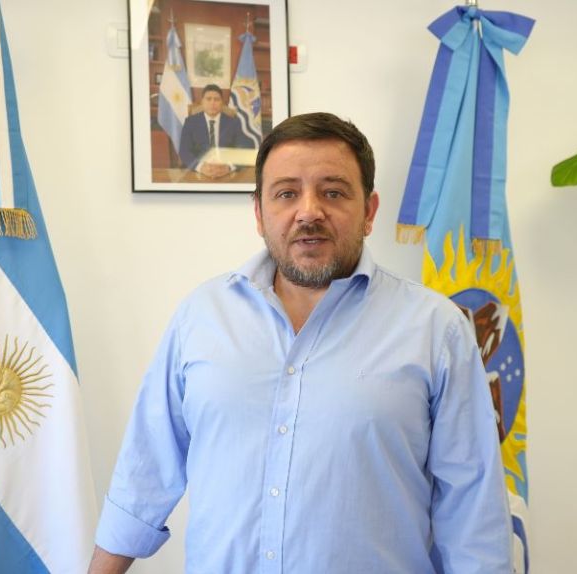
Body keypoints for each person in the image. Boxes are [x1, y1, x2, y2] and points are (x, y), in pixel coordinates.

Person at [89, 113, 513, 574]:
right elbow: (145, 472)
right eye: (287, 193)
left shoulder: (436, 329)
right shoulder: (201, 316)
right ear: (259, 213)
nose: (309, 211)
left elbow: (473, 511)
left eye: (333, 192)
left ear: (369, 212)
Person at [178, 84, 254, 178]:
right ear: (202, 102)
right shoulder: (190, 122)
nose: (212, 103)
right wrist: (200, 167)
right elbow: (184, 151)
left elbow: (245, 148)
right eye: (208, 99)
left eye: (216, 99)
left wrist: (229, 167)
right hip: (198, 173)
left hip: (226, 172)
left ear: (222, 103)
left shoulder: (233, 123)